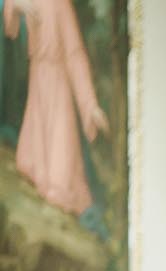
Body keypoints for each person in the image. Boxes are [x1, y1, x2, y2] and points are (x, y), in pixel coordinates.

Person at [3, 0, 109, 218]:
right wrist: (17, 6)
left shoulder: (62, 5)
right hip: (38, 83)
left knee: (59, 175)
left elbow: (74, 54)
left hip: (58, 87)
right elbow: (10, 27)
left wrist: (90, 105)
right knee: (31, 163)